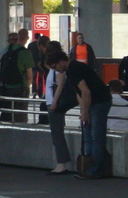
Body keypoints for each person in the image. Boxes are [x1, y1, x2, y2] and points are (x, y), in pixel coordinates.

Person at [46, 47, 112, 179]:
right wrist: (84, 111)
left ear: (60, 62)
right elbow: (80, 93)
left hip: (99, 102)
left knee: (95, 136)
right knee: (89, 135)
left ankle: (96, 169)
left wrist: (85, 111)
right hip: (97, 101)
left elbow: (85, 91)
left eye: (55, 67)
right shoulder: (72, 69)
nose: (56, 70)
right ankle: (91, 167)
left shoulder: (74, 69)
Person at [43, 40, 74, 175]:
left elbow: (60, 85)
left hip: (54, 104)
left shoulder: (57, 69)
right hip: (52, 102)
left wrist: (54, 102)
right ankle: (61, 162)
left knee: (57, 134)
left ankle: (61, 164)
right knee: (56, 134)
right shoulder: (53, 68)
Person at [0, 32, 34, 122]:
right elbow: (29, 76)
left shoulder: (3, 51)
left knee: (7, 112)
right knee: (20, 114)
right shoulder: (25, 52)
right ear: (26, 39)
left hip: (6, 86)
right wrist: (27, 86)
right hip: (21, 86)